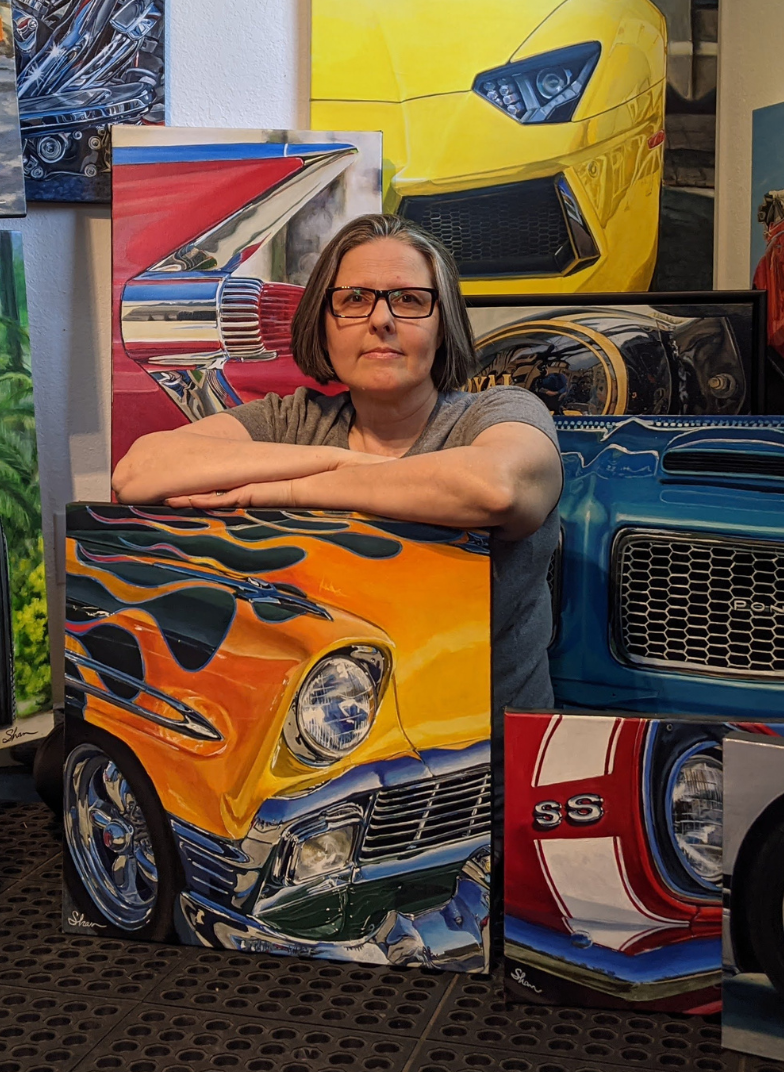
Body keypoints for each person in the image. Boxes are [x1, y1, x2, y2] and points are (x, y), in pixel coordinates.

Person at [112, 213, 564, 714]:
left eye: (409, 300)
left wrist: (291, 491)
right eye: (354, 299)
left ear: (443, 326)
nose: (381, 320)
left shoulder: (498, 412)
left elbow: (497, 489)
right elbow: (138, 473)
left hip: (492, 747)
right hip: (329, 739)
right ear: (323, 326)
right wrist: (334, 460)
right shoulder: (294, 421)